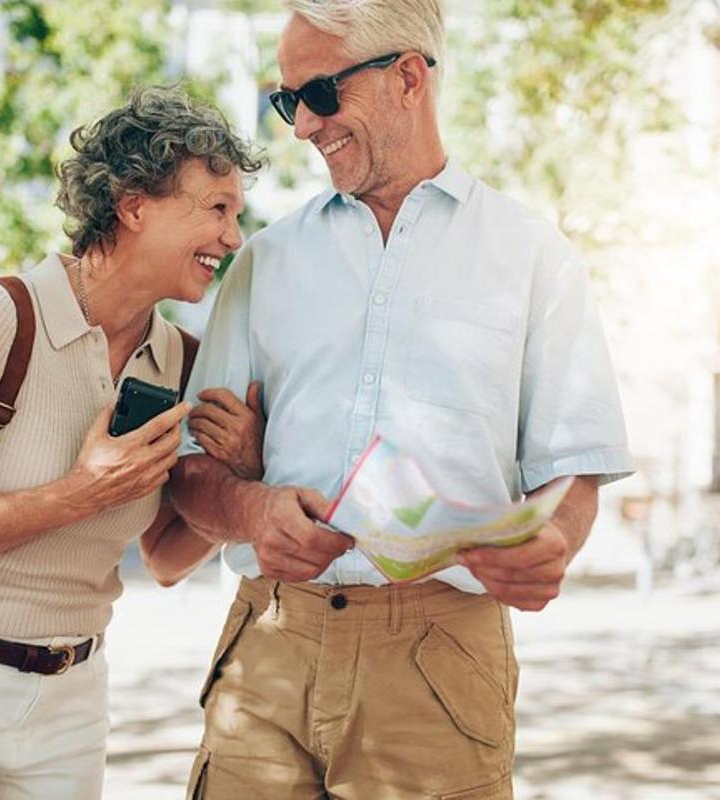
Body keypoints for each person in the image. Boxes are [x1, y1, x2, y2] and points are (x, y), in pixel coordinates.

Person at [168, 2, 634, 797]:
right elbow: (188, 474)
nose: (302, 127)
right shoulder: (263, 263)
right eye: (287, 103)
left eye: (316, 95)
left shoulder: (533, 257)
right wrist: (250, 511)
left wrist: (553, 542)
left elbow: (574, 472)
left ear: (408, 77)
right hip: (269, 647)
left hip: (440, 661)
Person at [0, 87, 265, 799]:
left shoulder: (180, 361)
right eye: (217, 209)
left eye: (236, 215)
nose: (233, 237)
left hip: (70, 699)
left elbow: (163, 557)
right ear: (133, 205)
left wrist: (244, 477)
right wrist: (76, 495)